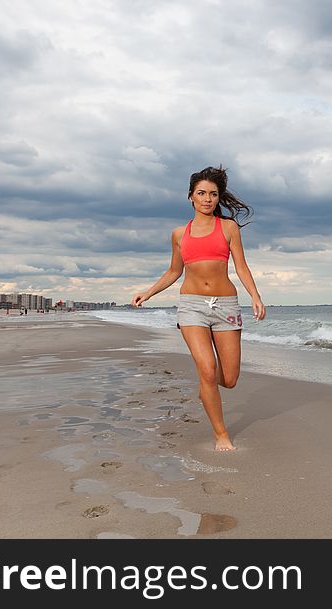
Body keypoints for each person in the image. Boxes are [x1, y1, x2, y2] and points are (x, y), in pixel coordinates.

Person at [131, 166, 266, 451]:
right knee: (207, 371)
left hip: (226, 305)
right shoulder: (180, 234)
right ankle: (221, 435)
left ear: (219, 198)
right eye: (201, 193)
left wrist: (255, 295)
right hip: (191, 306)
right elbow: (173, 272)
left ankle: (207, 391)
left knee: (228, 379)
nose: (207, 199)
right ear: (191, 196)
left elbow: (241, 266)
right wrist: (149, 292)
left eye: (213, 194)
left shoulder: (228, 228)